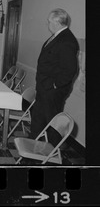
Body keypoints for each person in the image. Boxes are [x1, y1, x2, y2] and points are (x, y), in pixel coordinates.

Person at [30, 8, 79, 146]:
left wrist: (54, 85)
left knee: (52, 126)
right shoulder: (57, 37)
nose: (48, 24)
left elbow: (70, 70)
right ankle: (33, 150)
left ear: (57, 22)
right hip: (44, 89)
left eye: (49, 21)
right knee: (38, 121)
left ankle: (50, 156)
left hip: (52, 92)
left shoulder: (66, 40)